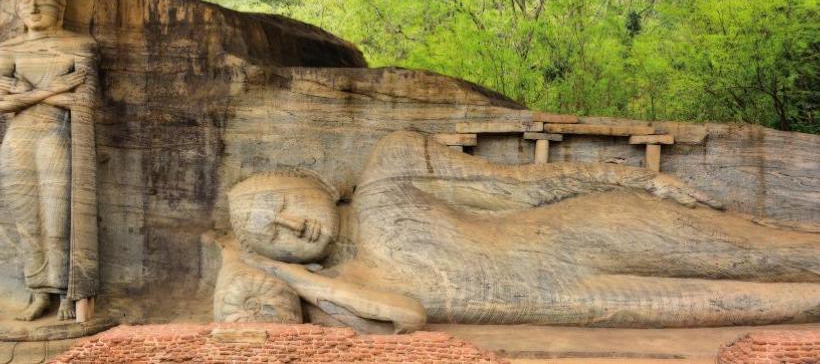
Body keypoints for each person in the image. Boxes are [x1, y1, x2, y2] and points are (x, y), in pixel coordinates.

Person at [236, 131, 820, 331]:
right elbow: (406, 318)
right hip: (571, 298)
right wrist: (285, 274)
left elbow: (519, 186)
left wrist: (643, 183)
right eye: (272, 234)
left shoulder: (389, 173)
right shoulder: (356, 283)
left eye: (284, 203)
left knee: (778, 253)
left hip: (586, 232)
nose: (293, 224)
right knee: (775, 304)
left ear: (304, 180)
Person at [0, 0, 97, 321]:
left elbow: (84, 101)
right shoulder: (9, 49)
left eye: (43, 1)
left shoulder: (80, 45)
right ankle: (39, 292)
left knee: (59, 219)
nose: (35, 9)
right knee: (27, 222)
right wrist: (51, 91)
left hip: (56, 139)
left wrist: (22, 93)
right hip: (18, 142)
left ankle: (68, 294)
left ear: (62, 7)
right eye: (26, 4)